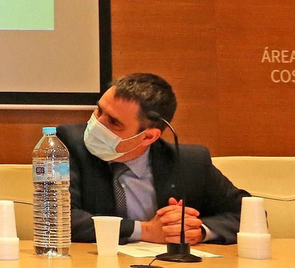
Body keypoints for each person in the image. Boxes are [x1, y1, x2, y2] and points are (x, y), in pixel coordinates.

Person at [56, 72, 248, 245]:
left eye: (114, 122)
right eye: (99, 110)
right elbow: (59, 218)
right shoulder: (67, 145)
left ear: (149, 137)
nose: (98, 123)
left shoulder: (190, 162)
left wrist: (196, 231)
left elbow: (247, 214)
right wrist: (145, 231)